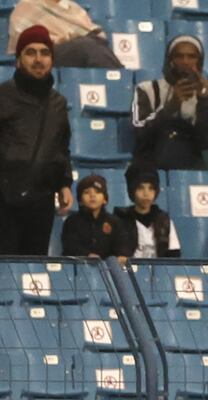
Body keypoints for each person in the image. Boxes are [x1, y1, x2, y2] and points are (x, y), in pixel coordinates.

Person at [0, 25, 72, 256]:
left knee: (33, 269)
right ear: (18, 60)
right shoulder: (3, 97)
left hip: (41, 202)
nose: (38, 59)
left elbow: (62, 147)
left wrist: (64, 184)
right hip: (4, 200)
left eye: (44, 52)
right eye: (30, 52)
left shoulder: (58, 103)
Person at [132, 35, 208, 170]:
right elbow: (139, 132)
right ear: (170, 60)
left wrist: (204, 101)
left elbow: (205, 142)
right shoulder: (147, 89)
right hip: (150, 161)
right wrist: (170, 107)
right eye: (179, 56)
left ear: (199, 62)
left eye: (191, 57)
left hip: (190, 164)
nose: (185, 62)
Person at [8, 0, 122, 68]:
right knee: (88, 47)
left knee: (94, 45)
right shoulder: (27, 6)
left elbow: (94, 32)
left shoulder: (73, 8)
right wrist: (62, 39)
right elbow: (23, 40)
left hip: (83, 47)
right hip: (46, 54)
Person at [114, 163, 181, 259]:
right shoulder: (120, 219)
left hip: (159, 272)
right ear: (132, 191)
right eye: (141, 188)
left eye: (151, 188)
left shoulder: (164, 220)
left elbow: (174, 254)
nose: (146, 194)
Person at [61, 175, 130, 262]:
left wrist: (122, 255)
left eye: (97, 192)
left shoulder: (114, 222)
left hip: (109, 271)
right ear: (80, 200)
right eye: (86, 192)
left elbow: (122, 244)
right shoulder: (71, 222)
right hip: (78, 268)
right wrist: (87, 255)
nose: (92, 195)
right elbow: (70, 246)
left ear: (105, 199)